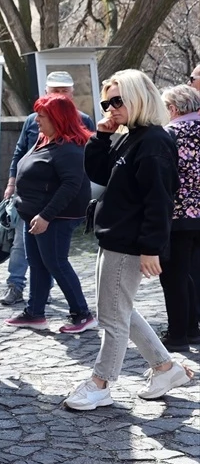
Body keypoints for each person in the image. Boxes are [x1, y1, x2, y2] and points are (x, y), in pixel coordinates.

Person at [66, 71, 192, 409]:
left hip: (129, 242)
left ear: (138, 97)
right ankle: (165, 367)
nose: (110, 108)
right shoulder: (132, 136)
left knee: (112, 317)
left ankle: (100, 382)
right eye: (107, 102)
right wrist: (101, 136)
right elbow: (100, 173)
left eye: (117, 101)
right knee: (118, 310)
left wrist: (152, 247)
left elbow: (160, 199)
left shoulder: (153, 141)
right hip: (116, 237)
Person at [0, 71, 97, 306]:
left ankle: (79, 311)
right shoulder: (35, 122)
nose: (59, 95)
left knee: (53, 260)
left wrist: (47, 214)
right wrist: (13, 182)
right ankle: (27, 299)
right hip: (30, 203)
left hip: (54, 207)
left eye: (64, 91)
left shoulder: (77, 129)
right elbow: (20, 152)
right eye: (54, 90)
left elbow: (75, 177)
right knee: (29, 253)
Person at [159, 85, 200, 351]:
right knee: (193, 272)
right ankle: (192, 328)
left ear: (173, 109)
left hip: (179, 215)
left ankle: (178, 334)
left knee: (174, 274)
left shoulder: (170, 134)